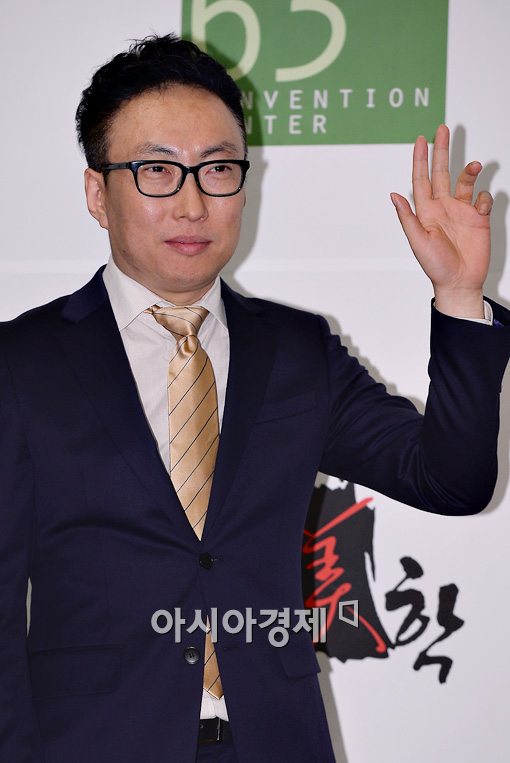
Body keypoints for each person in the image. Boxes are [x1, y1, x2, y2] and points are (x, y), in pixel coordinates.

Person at [0, 32, 508, 763]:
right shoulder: (22, 364)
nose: (192, 203)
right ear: (97, 193)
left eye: (217, 169)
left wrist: (458, 296)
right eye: (156, 171)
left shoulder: (297, 350)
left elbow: (452, 481)